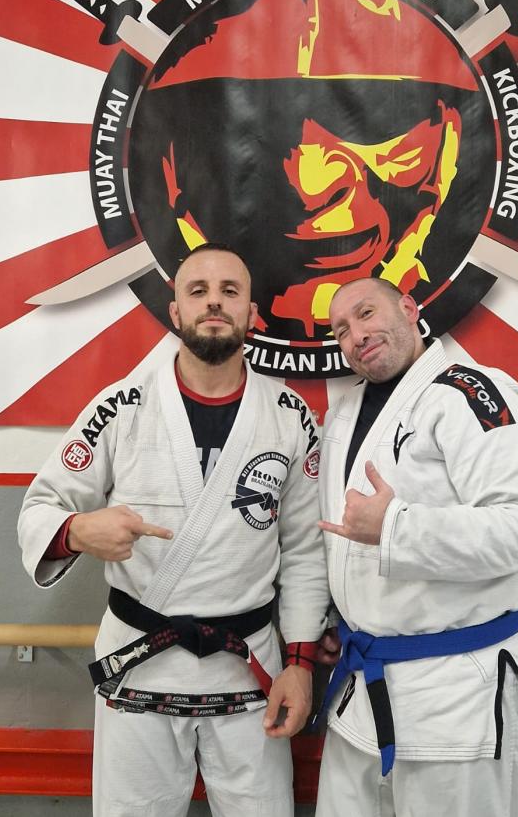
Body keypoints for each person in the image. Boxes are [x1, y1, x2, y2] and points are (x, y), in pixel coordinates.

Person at [18, 243, 330, 817]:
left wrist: (300, 665)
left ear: (252, 313)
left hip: (248, 667)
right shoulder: (121, 406)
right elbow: (42, 506)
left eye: (230, 292)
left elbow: (307, 550)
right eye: (198, 291)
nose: (214, 302)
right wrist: (79, 531)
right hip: (140, 660)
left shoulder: (289, 415)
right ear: (175, 310)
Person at [314, 277, 518, 817]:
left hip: (458, 695)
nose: (356, 335)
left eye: (366, 313)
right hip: (361, 691)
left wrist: (396, 526)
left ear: (408, 308)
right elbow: (341, 540)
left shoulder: (472, 394)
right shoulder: (343, 414)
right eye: (341, 330)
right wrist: (336, 617)